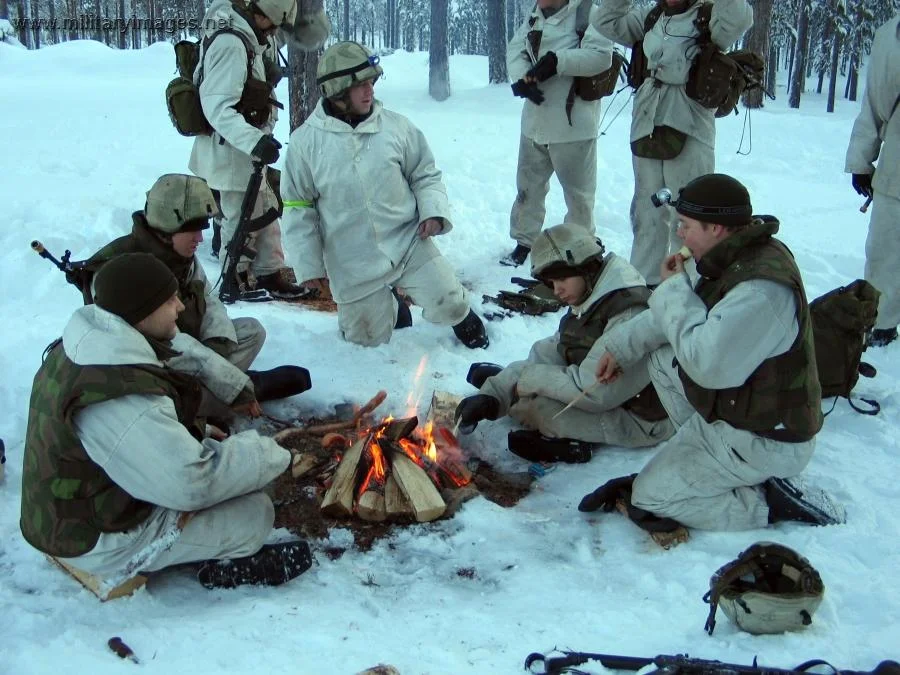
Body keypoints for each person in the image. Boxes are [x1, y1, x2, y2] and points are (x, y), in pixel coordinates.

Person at [20, 253, 312, 590]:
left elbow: (126, 439)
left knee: (230, 474)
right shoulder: (121, 397)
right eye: (169, 299)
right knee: (254, 511)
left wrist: (198, 431)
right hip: (90, 538)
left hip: (75, 508)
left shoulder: (93, 347)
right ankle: (218, 563)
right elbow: (191, 484)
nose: (180, 306)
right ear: (142, 310)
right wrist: (267, 455)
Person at [579, 174, 844, 532]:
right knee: (661, 356)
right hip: (740, 410)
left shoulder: (761, 290)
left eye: (686, 226)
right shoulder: (729, 256)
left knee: (650, 497)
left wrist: (673, 288)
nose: (679, 234)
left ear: (717, 228)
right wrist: (621, 348)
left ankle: (768, 501)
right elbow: (676, 319)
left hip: (766, 438)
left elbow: (707, 366)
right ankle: (705, 457)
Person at [281, 41, 489, 349]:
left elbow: (425, 174)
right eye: (360, 86)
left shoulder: (396, 128)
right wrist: (309, 267)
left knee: (450, 302)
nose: (370, 92)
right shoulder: (305, 144)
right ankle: (393, 306)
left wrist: (433, 211)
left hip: (408, 243)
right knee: (365, 341)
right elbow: (298, 209)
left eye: (371, 83)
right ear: (338, 91)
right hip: (352, 261)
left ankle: (463, 317)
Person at [79, 174, 311, 413]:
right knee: (185, 381)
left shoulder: (179, 255)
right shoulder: (124, 271)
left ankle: (216, 391)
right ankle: (220, 397)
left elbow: (207, 298)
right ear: (168, 226)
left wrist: (217, 342)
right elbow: (166, 344)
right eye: (193, 229)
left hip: (185, 345)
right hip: (147, 363)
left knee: (251, 332)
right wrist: (223, 374)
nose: (200, 238)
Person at [455, 223, 672, 463]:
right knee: (519, 390)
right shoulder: (593, 296)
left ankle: (574, 444)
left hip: (640, 418)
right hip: (600, 391)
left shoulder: (628, 311)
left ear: (586, 266)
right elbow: (553, 351)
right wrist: (496, 393)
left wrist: (526, 382)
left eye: (562, 279)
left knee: (537, 411)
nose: (557, 290)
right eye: (550, 283)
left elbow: (596, 392)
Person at [593, 0, 752, 286]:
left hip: (689, 124)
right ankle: (645, 284)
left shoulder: (708, 16)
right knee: (646, 210)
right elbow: (604, 21)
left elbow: (740, 19)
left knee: (690, 213)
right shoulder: (651, 16)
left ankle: (688, 285)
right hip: (647, 121)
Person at [190, 0, 329, 299]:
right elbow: (216, 107)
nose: (276, 32)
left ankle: (268, 273)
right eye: (275, 24)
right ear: (261, 15)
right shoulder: (230, 44)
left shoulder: (250, 34)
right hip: (230, 148)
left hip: (246, 146)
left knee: (264, 209)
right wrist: (255, 142)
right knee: (240, 216)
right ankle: (234, 279)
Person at [502, 0, 613, 268]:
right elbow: (516, 48)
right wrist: (520, 79)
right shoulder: (535, 15)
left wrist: (557, 61)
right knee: (527, 187)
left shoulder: (589, 14)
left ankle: (580, 246)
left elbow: (601, 56)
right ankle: (524, 241)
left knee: (579, 196)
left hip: (572, 124)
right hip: (535, 120)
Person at [845, 14, 900, 348]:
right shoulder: (887, 36)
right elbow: (873, 106)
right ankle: (881, 324)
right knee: (883, 250)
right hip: (896, 164)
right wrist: (861, 161)